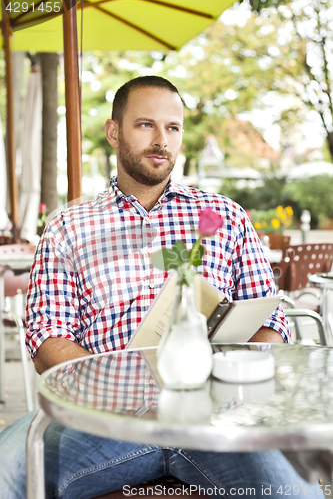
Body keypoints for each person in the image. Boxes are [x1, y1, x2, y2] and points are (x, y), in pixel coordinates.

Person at [0, 76, 318, 498]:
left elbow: (273, 319)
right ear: (114, 132)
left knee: (294, 491)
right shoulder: (68, 226)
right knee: (7, 472)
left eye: (172, 128)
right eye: (145, 125)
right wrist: (111, 394)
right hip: (104, 419)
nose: (161, 141)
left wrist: (229, 379)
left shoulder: (225, 216)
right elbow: (48, 339)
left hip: (215, 417)